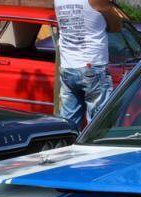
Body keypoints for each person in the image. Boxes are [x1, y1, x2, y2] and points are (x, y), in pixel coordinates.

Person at [54, 0, 121, 128]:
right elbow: (116, 27)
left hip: (68, 66)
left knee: (68, 123)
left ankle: (67, 140)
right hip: (92, 65)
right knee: (98, 125)